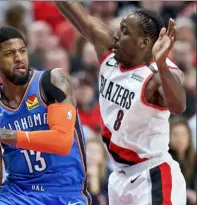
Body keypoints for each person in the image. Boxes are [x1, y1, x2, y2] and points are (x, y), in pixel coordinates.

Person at [56, 2, 186, 205]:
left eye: (124, 32)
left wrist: (161, 65)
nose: (116, 35)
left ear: (143, 42)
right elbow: (79, 15)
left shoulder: (159, 75)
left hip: (152, 174)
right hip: (118, 175)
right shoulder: (109, 53)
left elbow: (178, 106)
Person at [0, 26, 91, 205]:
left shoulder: (52, 81)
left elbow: (62, 142)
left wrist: (0, 134)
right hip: (17, 193)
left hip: (64, 192)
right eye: (9, 53)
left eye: (22, 51)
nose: (19, 58)